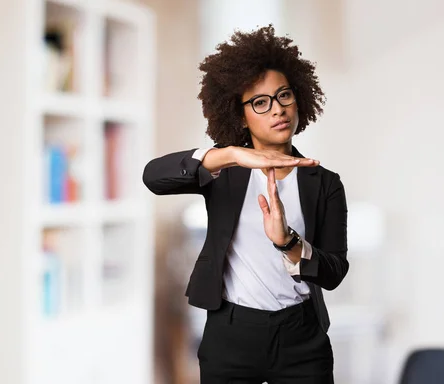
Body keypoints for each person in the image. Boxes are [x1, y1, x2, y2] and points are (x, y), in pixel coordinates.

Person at [142, 25, 349, 383]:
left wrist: (290, 243)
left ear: (299, 97)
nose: (277, 110)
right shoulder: (225, 171)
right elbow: (153, 177)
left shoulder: (325, 183)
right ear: (240, 115)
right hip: (231, 332)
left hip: (301, 335)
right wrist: (228, 155)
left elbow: (335, 272)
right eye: (260, 102)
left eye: (284, 96)